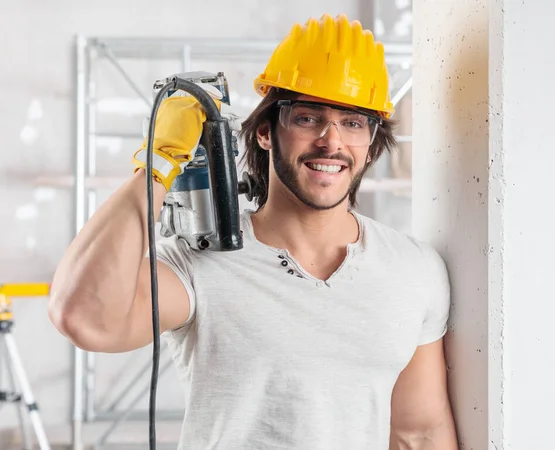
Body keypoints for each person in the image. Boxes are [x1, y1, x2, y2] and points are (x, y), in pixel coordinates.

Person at [48, 13, 458, 450]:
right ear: (266, 131)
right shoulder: (198, 261)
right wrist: (156, 167)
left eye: (353, 122)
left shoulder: (414, 269)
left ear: (371, 141)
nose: (330, 141)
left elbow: (419, 432)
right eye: (307, 118)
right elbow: (84, 317)